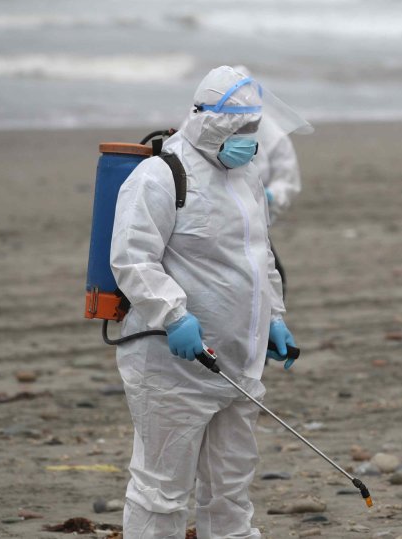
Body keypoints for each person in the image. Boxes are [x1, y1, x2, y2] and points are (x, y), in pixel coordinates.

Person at [111, 66, 299, 538]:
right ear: (205, 119)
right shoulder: (160, 175)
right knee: (161, 491)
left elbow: (260, 259)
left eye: (253, 127)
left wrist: (274, 319)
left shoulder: (246, 177)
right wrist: (174, 315)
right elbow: (133, 259)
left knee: (230, 492)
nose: (247, 139)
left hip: (237, 364)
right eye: (238, 128)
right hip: (171, 365)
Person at [233, 66, 303, 296]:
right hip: (207, 225)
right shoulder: (201, 127)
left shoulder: (273, 136)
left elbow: (288, 180)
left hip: (254, 224)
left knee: (269, 283)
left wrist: (270, 196)